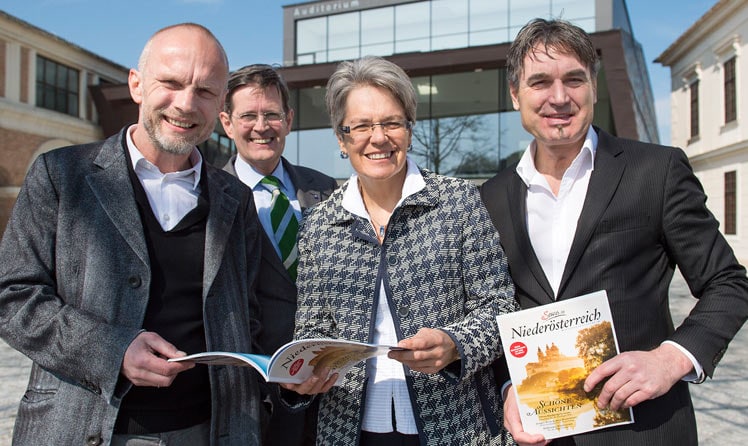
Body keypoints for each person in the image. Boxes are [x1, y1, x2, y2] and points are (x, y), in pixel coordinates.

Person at [479, 18, 748, 446]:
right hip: (540, 434)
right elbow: (491, 312)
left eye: (574, 79)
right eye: (540, 82)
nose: (559, 97)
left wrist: (670, 358)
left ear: (594, 87)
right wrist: (508, 388)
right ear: (516, 94)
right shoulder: (490, 198)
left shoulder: (656, 171)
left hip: (645, 429)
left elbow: (729, 283)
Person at [0, 23, 266, 445]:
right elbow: (12, 296)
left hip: (213, 431)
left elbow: (247, 315)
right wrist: (112, 350)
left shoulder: (235, 197)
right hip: (81, 428)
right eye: (172, 83)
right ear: (136, 85)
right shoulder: (60, 176)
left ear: (220, 107)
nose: (185, 104)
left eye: (204, 92)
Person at [279, 55, 518, 446]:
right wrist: (305, 372)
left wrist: (454, 344)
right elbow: (313, 330)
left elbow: (501, 308)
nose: (378, 138)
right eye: (361, 126)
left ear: (409, 130)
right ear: (342, 139)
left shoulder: (457, 202)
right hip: (350, 428)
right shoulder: (320, 224)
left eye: (391, 123)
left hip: (457, 426)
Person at [219, 64, 337, 446]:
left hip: (332, 387)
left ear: (288, 120)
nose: (261, 126)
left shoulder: (327, 188)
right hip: (253, 396)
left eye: (271, 114)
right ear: (226, 122)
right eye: (248, 116)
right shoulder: (208, 195)